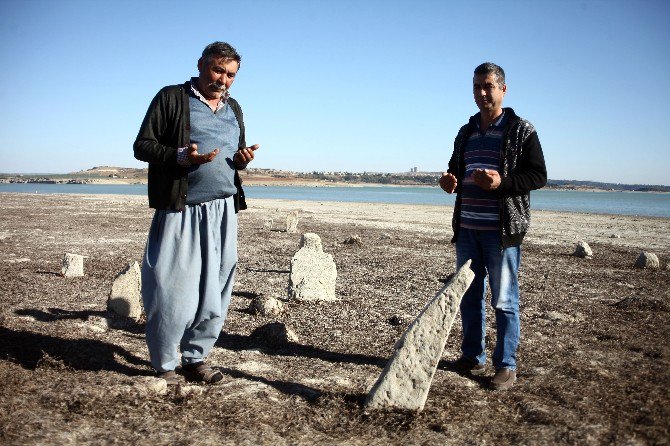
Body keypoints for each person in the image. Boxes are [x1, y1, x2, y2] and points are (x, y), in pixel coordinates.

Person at [133, 42, 259, 385]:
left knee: (216, 288)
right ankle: (166, 364)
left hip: (223, 210)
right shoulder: (172, 98)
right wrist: (182, 157)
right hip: (182, 209)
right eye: (218, 70)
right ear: (201, 65)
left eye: (231, 75)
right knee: (172, 290)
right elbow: (142, 145)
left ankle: (196, 358)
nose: (223, 80)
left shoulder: (234, 107)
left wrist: (243, 160)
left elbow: (231, 157)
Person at [439, 62, 546, 390]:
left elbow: (538, 176)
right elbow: (455, 170)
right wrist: (449, 182)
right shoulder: (466, 131)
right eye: (476, 87)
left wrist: (503, 182)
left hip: (502, 234)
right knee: (469, 297)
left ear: (503, 89)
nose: (481, 93)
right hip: (468, 229)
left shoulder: (521, 130)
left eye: (487, 86)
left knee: (504, 300)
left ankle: (506, 365)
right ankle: (473, 355)